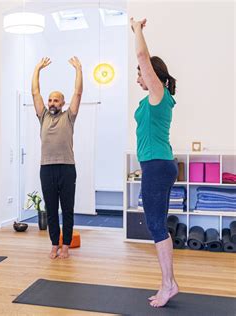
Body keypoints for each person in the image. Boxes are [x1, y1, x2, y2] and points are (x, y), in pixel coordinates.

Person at [131, 17, 179, 307]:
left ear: (152, 75)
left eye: (140, 74)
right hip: (155, 165)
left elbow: (141, 55)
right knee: (157, 224)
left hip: (158, 166)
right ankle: (168, 283)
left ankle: (168, 285)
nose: (138, 78)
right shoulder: (154, 99)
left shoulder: (158, 94)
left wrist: (137, 30)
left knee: (156, 226)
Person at [31, 56, 83, 259]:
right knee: (51, 209)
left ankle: (66, 246)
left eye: (56, 100)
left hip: (67, 168)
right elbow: (35, 92)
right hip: (47, 168)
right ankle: (54, 244)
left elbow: (78, 93)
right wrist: (37, 69)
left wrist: (78, 70)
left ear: (62, 103)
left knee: (67, 209)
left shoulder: (69, 116)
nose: (52, 103)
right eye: (50, 100)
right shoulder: (43, 116)